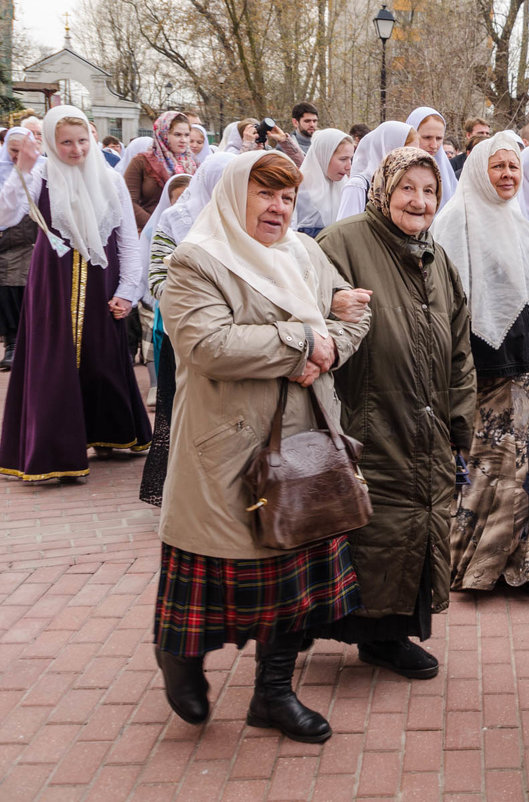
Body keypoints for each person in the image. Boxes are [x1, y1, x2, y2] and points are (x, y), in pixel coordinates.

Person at [154, 150, 371, 741]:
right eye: (264, 194)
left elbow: (352, 321)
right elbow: (207, 345)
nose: (278, 208)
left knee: (292, 582)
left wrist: (327, 344)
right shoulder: (197, 261)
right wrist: (304, 340)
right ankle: (181, 654)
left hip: (302, 444)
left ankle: (272, 695)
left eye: (287, 197)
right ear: (232, 196)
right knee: (215, 569)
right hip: (226, 449)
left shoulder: (304, 253)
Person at [316, 147, 476, 677]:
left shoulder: (435, 254)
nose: (420, 200)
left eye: (430, 191)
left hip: (426, 421)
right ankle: (373, 636)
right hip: (369, 416)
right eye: (408, 187)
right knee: (374, 526)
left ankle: (393, 632)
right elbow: (314, 315)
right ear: (384, 189)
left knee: (417, 521)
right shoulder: (343, 243)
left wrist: (460, 425)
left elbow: (458, 349)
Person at [0, 105, 152, 482]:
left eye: (82, 140)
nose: (76, 149)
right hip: (52, 284)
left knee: (103, 359)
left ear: (93, 137)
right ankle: (54, 448)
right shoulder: (41, 175)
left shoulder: (110, 179)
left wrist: (128, 290)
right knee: (53, 363)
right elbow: (6, 215)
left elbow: (126, 240)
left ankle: (109, 433)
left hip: (103, 282)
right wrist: (22, 168)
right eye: (65, 142)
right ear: (51, 142)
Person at [432, 132, 529, 590]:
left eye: (513, 167)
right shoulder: (456, 220)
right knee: (489, 465)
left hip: (521, 361)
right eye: (499, 167)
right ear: (477, 170)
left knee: (521, 464)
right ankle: (474, 562)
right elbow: (444, 302)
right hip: (481, 365)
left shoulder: (516, 217)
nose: (508, 175)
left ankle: (516, 564)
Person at [139, 152, 235, 507]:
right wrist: (199, 303)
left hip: (233, 338)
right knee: (183, 413)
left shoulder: (247, 220)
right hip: (185, 336)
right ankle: (182, 491)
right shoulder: (177, 219)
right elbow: (158, 280)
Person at [0, 128, 39, 370]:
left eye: (22, 150)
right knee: (8, 289)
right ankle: (13, 343)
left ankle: (32, 342)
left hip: (33, 240)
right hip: (6, 243)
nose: (18, 156)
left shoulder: (42, 168)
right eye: (13, 151)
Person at [124, 111, 197, 231]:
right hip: (146, 231)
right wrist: (156, 226)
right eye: (177, 135)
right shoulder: (141, 161)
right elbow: (128, 201)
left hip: (182, 232)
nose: (183, 140)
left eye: (187, 135)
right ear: (163, 134)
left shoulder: (193, 164)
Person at [337, 121, 419, 220]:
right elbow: (346, 229)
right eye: (407, 153)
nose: (412, 160)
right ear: (388, 149)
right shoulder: (358, 186)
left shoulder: (402, 185)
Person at [294, 129, 354, 237]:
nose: (348, 167)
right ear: (324, 156)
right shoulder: (298, 188)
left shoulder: (344, 185)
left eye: (350, 159)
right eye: (343, 159)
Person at [406, 107, 458, 209]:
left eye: (439, 138)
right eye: (427, 137)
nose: (434, 145)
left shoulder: (447, 174)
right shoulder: (395, 170)